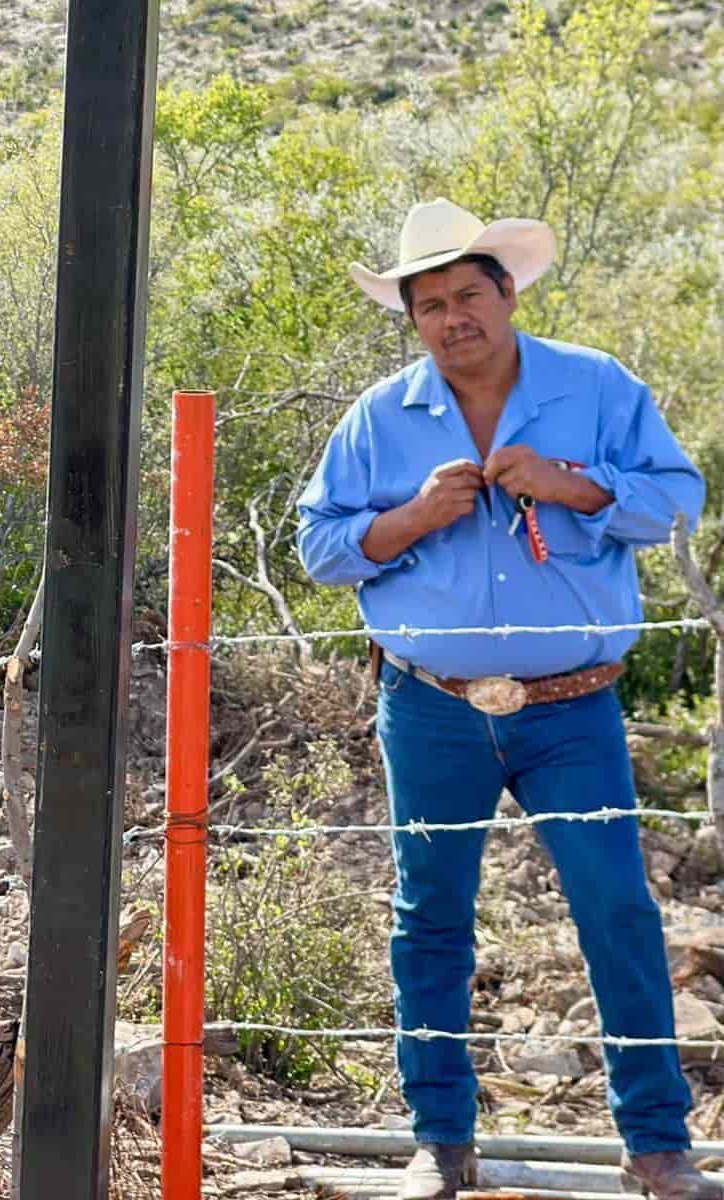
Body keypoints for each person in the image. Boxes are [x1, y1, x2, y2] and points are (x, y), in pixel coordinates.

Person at [298, 199, 710, 1200]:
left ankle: (656, 1147)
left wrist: (573, 486)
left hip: (572, 708)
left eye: (466, 294)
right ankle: (440, 1144)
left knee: (614, 903)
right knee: (429, 916)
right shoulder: (377, 418)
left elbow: (679, 497)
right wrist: (409, 516)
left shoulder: (596, 388)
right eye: (428, 303)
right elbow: (317, 548)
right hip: (432, 705)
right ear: (412, 318)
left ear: (506, 292)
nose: (451, 317)